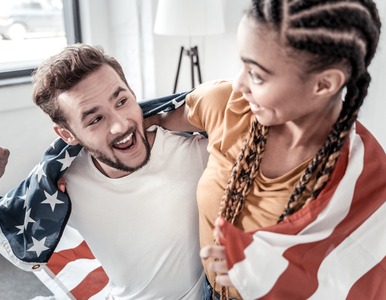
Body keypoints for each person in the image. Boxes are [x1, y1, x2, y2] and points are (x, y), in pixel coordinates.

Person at [147, 0, 386, 299]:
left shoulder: (362, 175)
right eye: (242, 64)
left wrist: (262, 270)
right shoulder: (228, 103)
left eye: (257, 75)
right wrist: (76, 162)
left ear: (324, 84)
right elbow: (140, 122)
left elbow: (354, 282)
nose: (239, 83)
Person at [0, 44, 209, 299]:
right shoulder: (62, 181)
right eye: (95, 119)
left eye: (121, 101)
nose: (119, 125)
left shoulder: (195, 148)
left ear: (132, 91)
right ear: (67, 134)